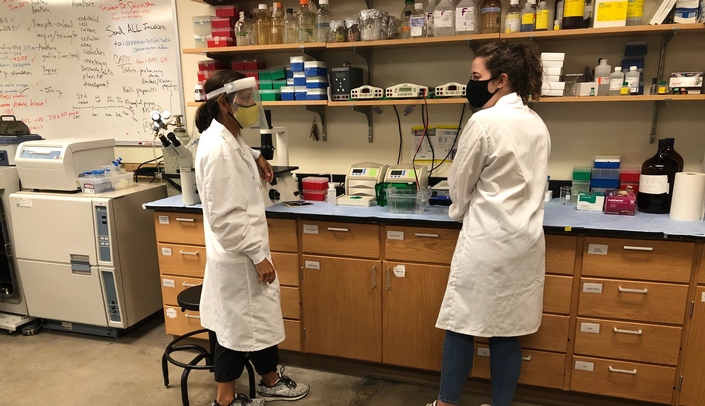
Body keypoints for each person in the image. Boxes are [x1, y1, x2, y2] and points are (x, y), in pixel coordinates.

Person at [427, 41, 551, 406]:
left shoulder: (484, 122)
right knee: (506, 331)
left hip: (486, 240)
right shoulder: (536, 123)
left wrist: (458, 210)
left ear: (501, 80)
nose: (471, 83)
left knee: (462, 324)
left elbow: (459, 186)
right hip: (524, 241)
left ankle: (446, 403)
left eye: (476, 76)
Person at [194, 70, 310, 406]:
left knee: (254, 319)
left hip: (242, 250)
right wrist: (257, 256)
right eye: (245, 99)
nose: (252, 104)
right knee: (235, 327)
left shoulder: (230, 138)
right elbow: (224, 217)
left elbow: (239, 147)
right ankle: (225, 400)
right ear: (224, 104)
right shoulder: (217, 149)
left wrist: (256, 155)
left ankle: (270, 380)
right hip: (237, 253)